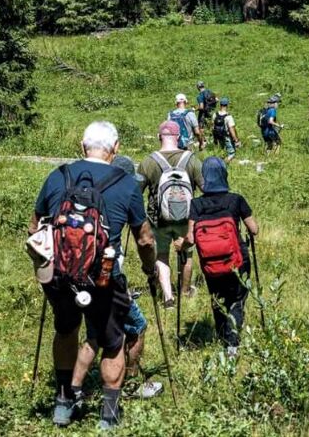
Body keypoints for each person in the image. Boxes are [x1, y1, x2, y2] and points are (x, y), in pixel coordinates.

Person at [28, 122, 158, 430]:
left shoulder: (59, 176)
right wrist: (149, 267)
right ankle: (108, 416)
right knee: (113, 341)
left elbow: (34, 227)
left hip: (60, 276)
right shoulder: (125, 184)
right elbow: (145, 239)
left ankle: (62, 403)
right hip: (103, 278)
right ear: (116, 149)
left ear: (82, 146)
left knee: (66, 331)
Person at [70, 155, 163, 402]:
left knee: (94, 336)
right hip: (108, 277)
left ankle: (73, 391)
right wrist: (150, 270)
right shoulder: (123, 196)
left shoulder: (91, 197)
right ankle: (128, 386)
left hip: (81, 274)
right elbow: (145, 240)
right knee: (136, 327)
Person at [184, 157, 258, 357]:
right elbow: (254, 229)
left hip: (211, 264)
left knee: (217, 298)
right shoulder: (236, 199)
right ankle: (232, 344)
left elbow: (190, 237)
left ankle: (222, 336)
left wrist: (180, 245)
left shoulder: (196, 204)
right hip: (237, 260)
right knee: (237, 298)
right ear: (224, 175)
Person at [137, 120, 204, 304]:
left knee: (162, 255)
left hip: (158, 219)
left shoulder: (148, 162)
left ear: (159, 137)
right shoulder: (191, 160)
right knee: (186, 253)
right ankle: (184, 291)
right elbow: (205, 187)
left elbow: (137, 191)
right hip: (186, 217)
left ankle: (168, 297)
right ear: (178, 137)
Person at [211, 97, 241, 162]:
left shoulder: (215, 115)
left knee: (222, 152)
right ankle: (224, 164)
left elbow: (213, 127)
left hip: (218, 137)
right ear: (227, 105)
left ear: (220, 105)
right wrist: (236, 140)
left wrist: (214, 139)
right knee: (231, 154)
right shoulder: (228, 117)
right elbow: (231, 130)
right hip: (227, 137)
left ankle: (220, 162)